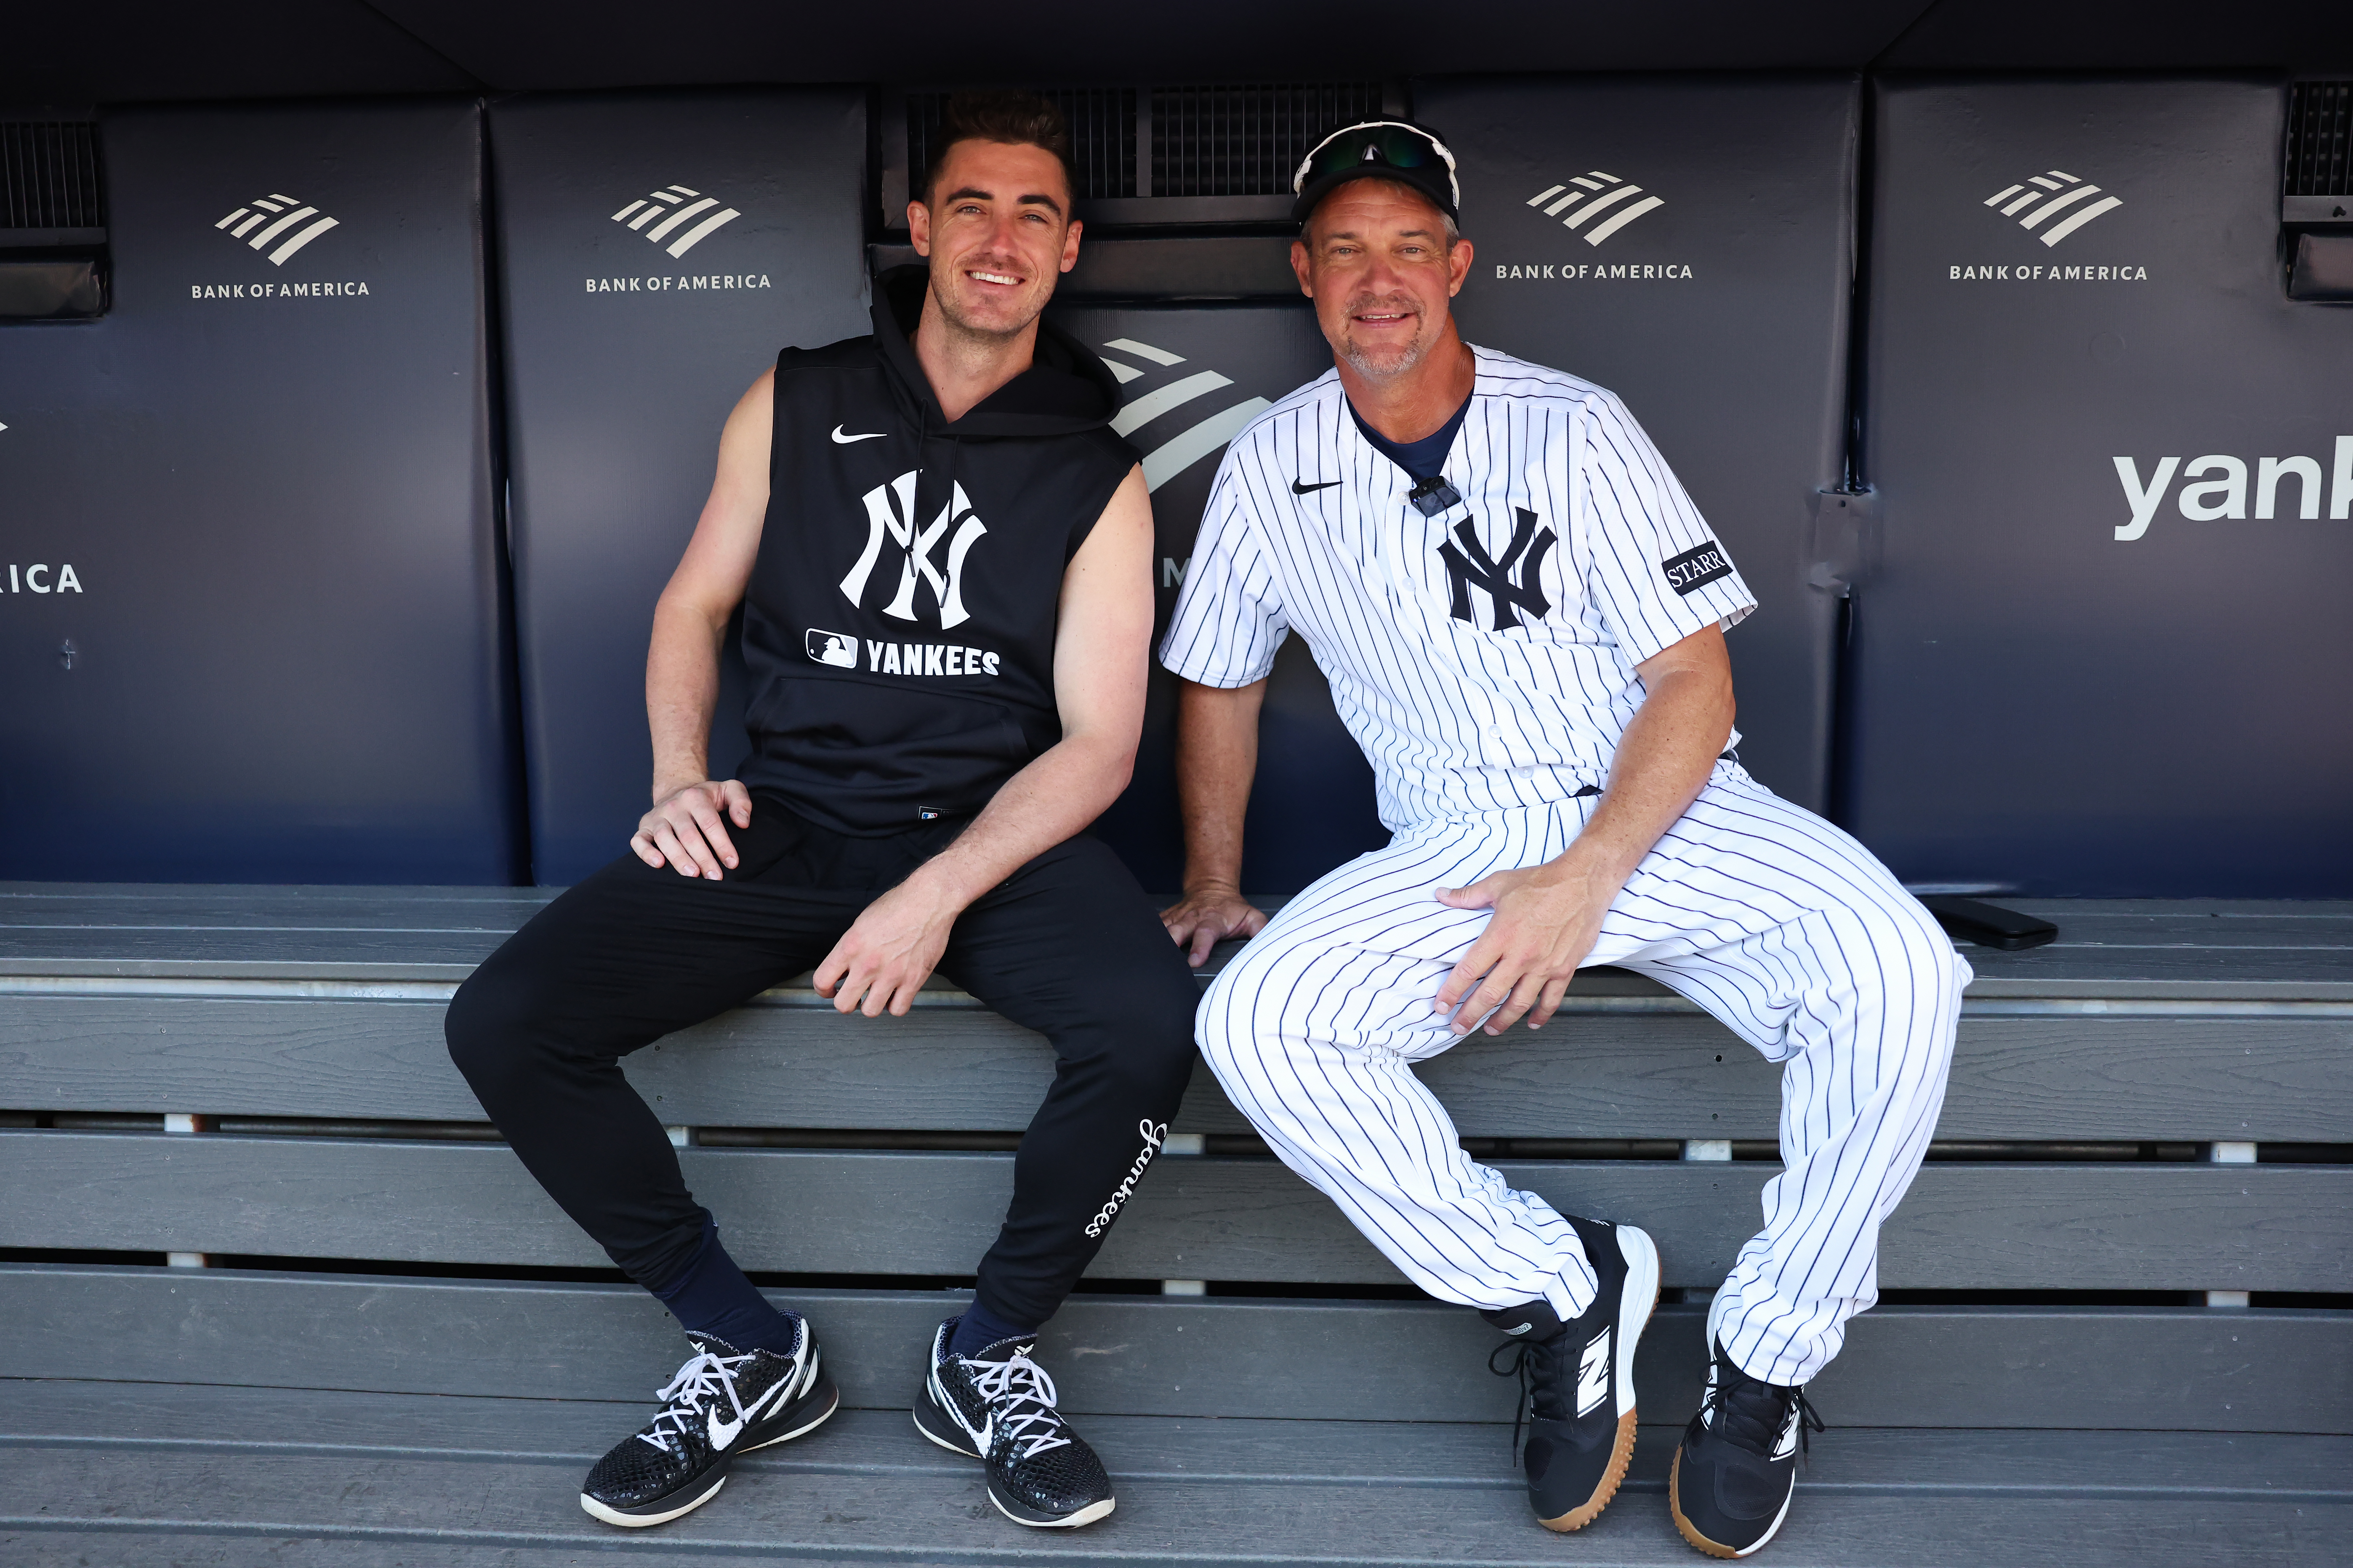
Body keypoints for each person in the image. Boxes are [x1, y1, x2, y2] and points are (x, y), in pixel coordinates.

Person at [1159, 120, 1964, 1559]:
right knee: (1261, 1023)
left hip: (1669, 814)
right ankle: (1561, 1283)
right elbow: (1217, 672)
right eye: (1346, 250)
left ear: (1459, 263)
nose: (1379, 278)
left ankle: (1770, 1355)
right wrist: (1215, 882)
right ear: (1304, 274)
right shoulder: (1268, 464)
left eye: (1410, 245)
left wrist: (1589, 878)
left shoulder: (1577, 422)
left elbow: (1692, 678)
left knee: (1900, 969)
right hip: (1457, 841)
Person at [446, 90, 1199, 1534]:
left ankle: (988, 1354)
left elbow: (1103, 746)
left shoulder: (1097, 468)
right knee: (505, 1019)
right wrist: (678, 778)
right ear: (922, 230)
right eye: (972, 206)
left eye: (1034, 215)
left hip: (990, 836)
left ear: (1068, 251)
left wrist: (934, 894)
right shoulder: (798, 394)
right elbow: (694, 604)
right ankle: (743, 1344)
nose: (1000, 239)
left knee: (1150, 1025)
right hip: (788, 814)